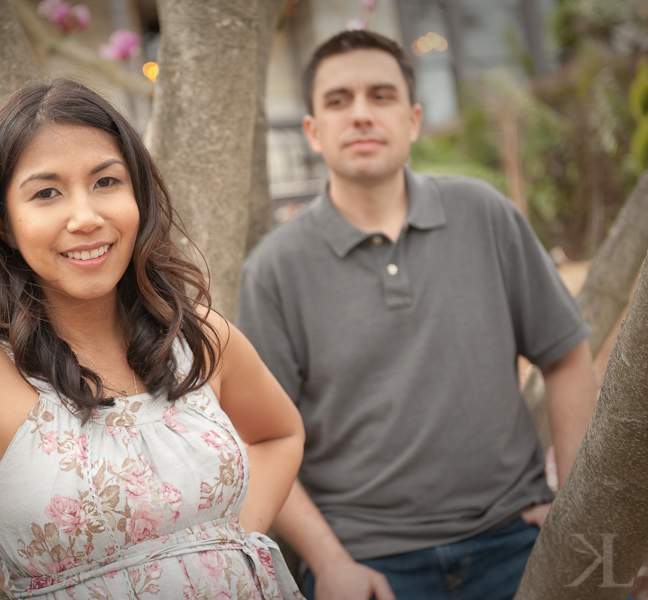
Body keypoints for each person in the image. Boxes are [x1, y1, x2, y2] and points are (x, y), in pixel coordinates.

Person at [0, 79, 306, 599]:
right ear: (4, 224)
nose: (86, 217)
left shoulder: (193, 335)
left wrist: (224, 541)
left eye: (106, 182)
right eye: (46, 193)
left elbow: (278, 435)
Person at [236, 30, 598, 600]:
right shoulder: (274, 269)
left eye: (381, 96)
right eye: (338, 100)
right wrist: (328, 563)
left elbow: (567, 355)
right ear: (312, 131)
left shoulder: (485, 215)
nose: (360, 115)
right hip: (369, 563)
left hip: (515, 537)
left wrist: (574, 507)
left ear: (413, 118)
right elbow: (258, 439)